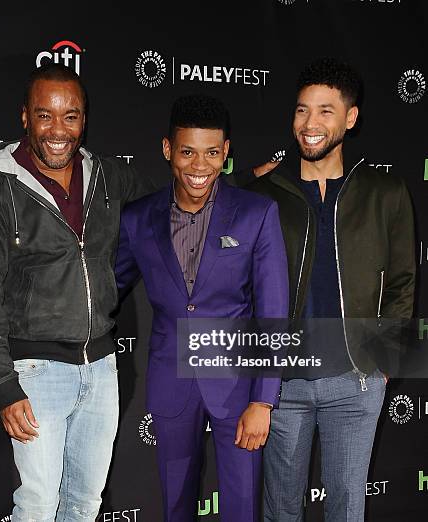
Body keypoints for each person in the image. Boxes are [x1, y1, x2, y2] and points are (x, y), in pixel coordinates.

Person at [0, 63, 151, 522]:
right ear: (25, 116)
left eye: (71, 116)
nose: (58, 130)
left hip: (101, 368)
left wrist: (238, 184)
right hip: (35, 373)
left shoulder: (105, 176)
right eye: (45, 115)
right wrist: (5, 386)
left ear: (84, 120)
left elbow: (168, 207)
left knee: (85, 505)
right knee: (38, 506)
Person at [245, 58, 415, 521]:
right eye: (302, 111)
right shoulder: (264, 195)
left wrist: (387, 359)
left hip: (355, 380)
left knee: (346, 508)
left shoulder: (386, 193)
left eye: (325, 110)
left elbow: (403, 280)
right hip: (282, 384)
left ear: (350, 118)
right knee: (281, 510)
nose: (310, 124)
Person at [115, 94, 289, 521]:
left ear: (226, 152)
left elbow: (273, 311)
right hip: (172, 381)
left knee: (242, 505)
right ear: (167, 149)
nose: (199, 166)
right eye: (188, 151)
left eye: (212, 152)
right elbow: (104, 292)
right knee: (176, 504)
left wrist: (263, 400)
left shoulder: (256, 214)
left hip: (238, 388)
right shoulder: (138, 219)